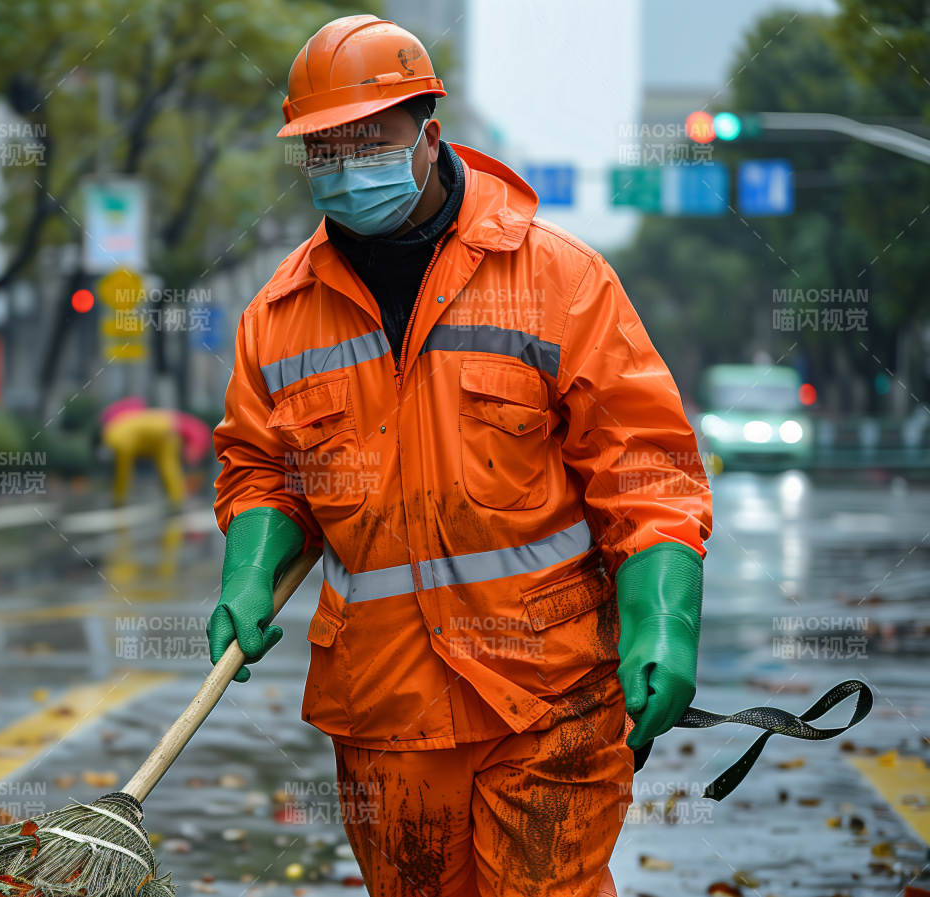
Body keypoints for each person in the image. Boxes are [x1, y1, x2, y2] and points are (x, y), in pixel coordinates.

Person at [207, 16, 713, 897]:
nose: (346, 166)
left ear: (430, 135)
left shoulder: (560, 281)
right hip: (384, 712)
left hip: (550, 697)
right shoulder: (278, 317)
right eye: (324, 149)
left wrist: (663, 619)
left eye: (371, 142)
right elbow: (264, 469)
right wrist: (249, 569)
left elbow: (644, 464)